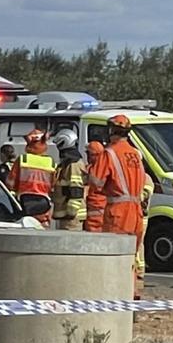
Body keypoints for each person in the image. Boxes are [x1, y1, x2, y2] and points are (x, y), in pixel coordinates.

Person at [87, 115, 147, 298]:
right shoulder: (136, 153)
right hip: (136, 211)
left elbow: (96, 182)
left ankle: (117, 298)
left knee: (115, 257)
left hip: (118, 212)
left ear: (111, 131)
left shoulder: (109, 153)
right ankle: (132, 292)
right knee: (130, 257)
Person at [7, 128, 55, 226]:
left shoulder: (23, 159)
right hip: (44, 203)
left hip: (24, 202)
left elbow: (10, 183)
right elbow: (54, 185)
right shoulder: (51, 162)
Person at [50, 129, 86, 231]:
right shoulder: (67, 163)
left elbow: (76, 189)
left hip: (71, 217)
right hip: (66, 215)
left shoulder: (73, 163)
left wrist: (71, 212)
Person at [83, 141, 106, 233]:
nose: (88, 157)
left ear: (97, 155)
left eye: (90, 154)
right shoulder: (89, 168)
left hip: (98, 210)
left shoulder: (104, 169)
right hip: (90, 209)